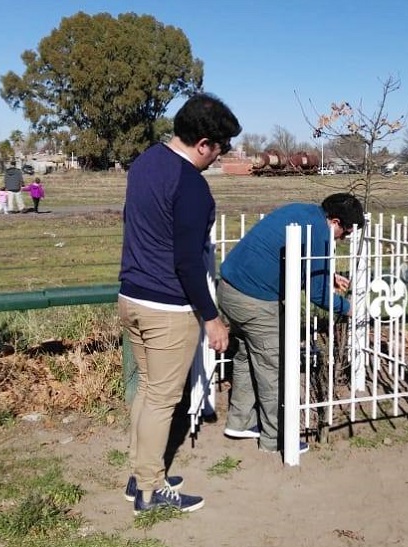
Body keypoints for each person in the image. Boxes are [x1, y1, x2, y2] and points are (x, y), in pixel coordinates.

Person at [118, 93, 241, 515]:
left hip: (130, 296)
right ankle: (150, 491)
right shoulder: (192, 186)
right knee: (162, 399)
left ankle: (141, 476)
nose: (220, 157)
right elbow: (188, 260)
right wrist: (211, 318)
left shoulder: (146, 161)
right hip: (167, 307)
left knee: (148, 391)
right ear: (204, 143)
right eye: (220, 148)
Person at [218, 193, 365, 455]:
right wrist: (348, 308)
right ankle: (276, 438)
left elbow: (293, 258)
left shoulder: (304, 212)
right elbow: (318, 294)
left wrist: (326, 276)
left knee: (245, 356)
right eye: (347, 230)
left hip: (229, 288)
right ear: (334, 221)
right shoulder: (321, 234)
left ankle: (240, 422)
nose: (345, 237)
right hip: (256, 301)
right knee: (272, 368)